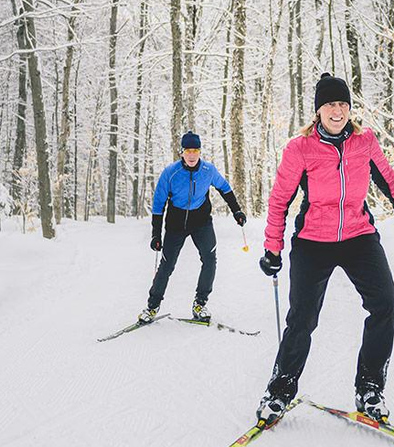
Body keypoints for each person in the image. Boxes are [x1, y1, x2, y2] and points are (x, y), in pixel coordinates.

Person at [257, 73, 394, 425]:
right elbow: (279, 201)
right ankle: (279, 392)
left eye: (344, 104)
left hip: (358, 236)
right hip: (313, 241)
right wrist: (272, 248)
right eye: (331, 104)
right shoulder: (300, 148)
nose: (338, 110)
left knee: (387, 305)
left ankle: (369, 389)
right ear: (319, 110)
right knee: (302, 319)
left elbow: (388, 181)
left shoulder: (364, 142)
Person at [138, 130, 246, 323]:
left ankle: (200, 304)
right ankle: (152, 307)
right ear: (182, 152)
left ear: (199, 151)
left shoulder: (208, 170)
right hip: (176, 223)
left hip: (201, 221)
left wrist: (237, 211)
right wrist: (156, 235)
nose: (191, 154)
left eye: (195, 150)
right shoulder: (170, 173)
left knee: (210, 259)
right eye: (188, 150)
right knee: (167, 265)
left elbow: (225, 188)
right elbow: (158, 205)